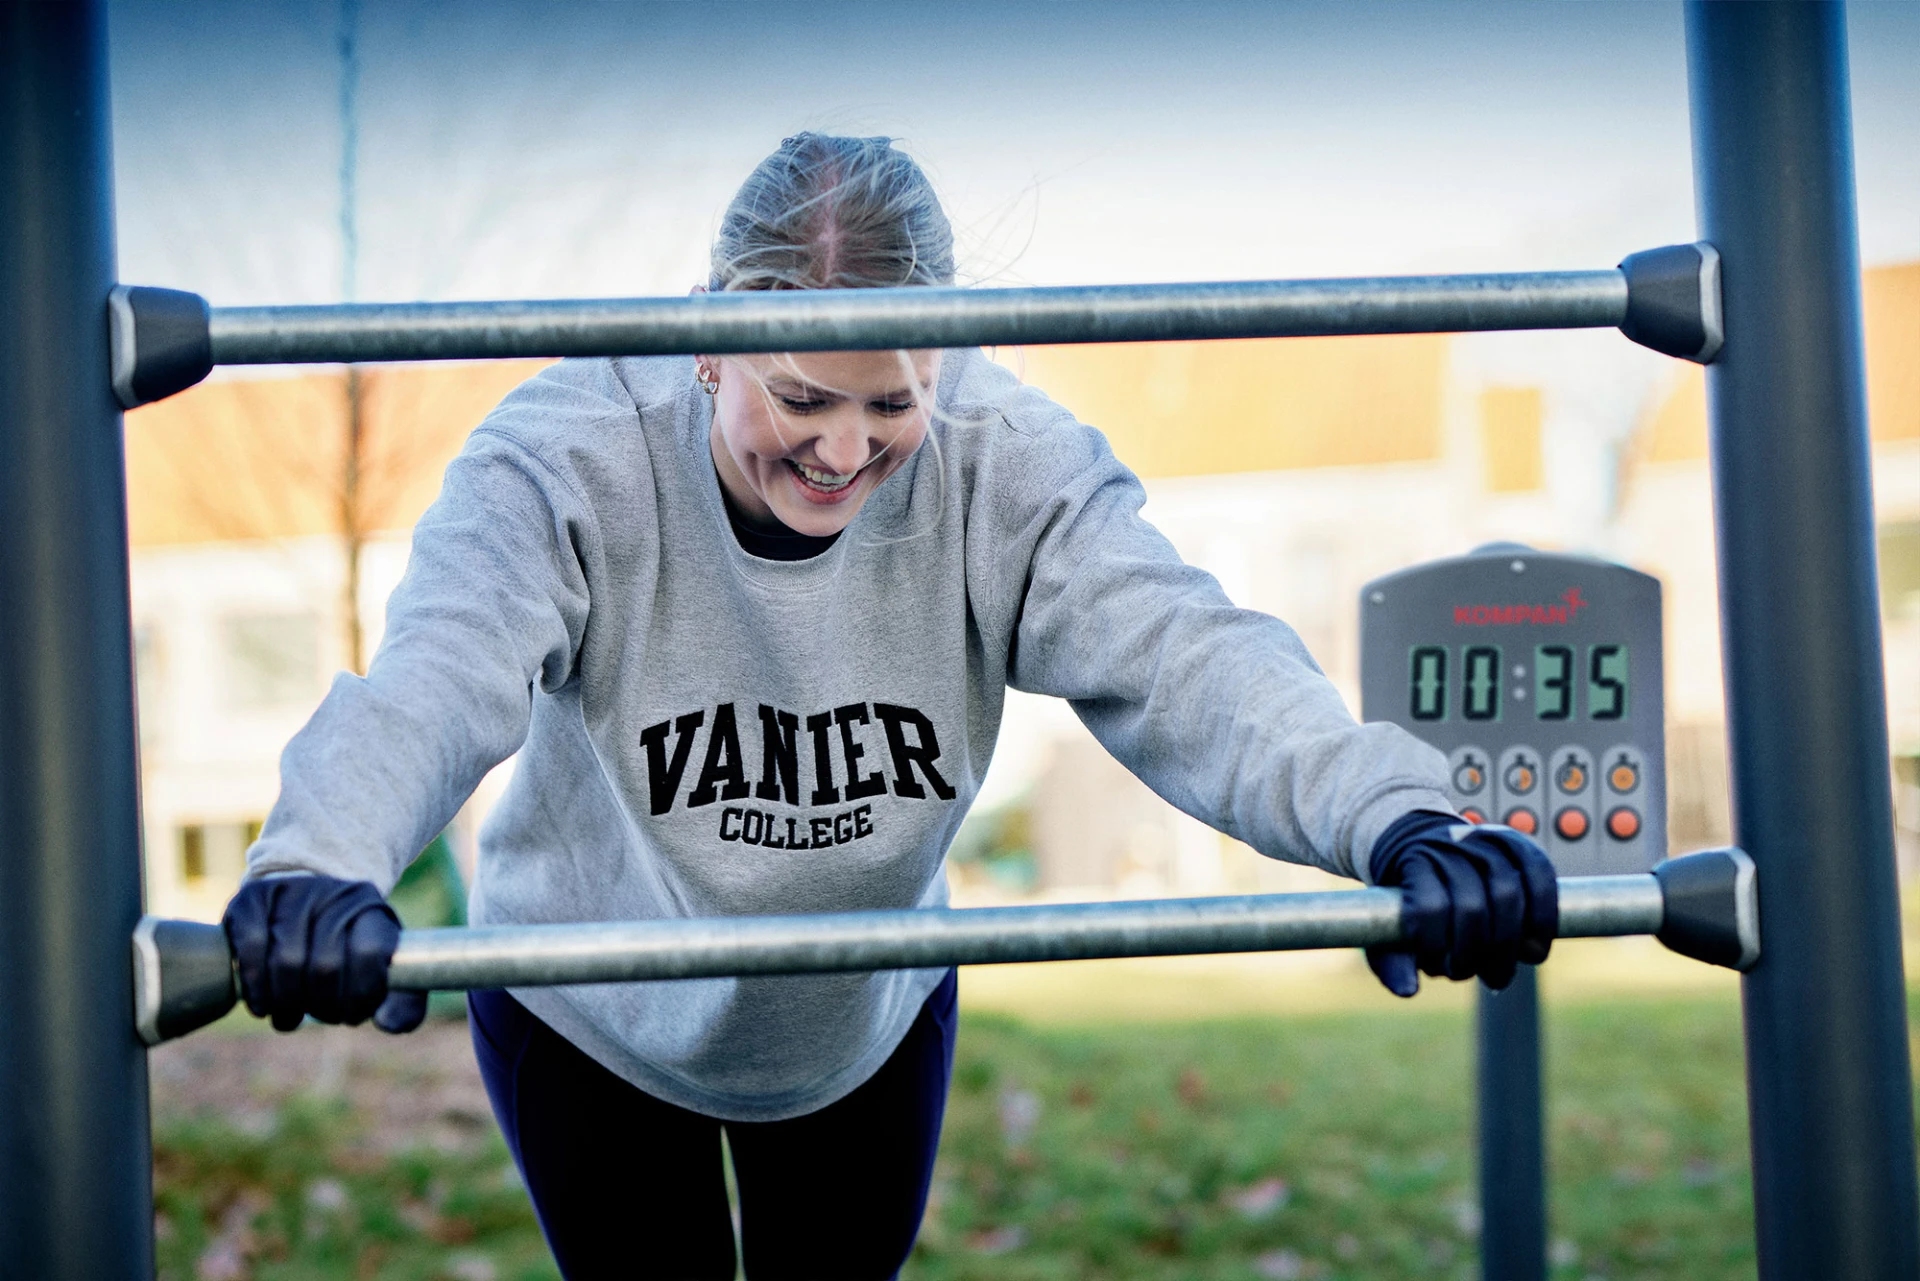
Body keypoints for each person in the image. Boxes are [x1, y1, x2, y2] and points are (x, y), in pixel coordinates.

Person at [223, 133, 1556, 1280]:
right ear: (705, 344)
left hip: (861, 1013)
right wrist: (321, 863)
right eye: (800, 396)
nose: (844, 450)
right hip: (593, 1007)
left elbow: (1191, 657)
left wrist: (1399, 820)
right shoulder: (569, 452)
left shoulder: (1005, 462)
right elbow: (437, 672)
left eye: (891, 402)